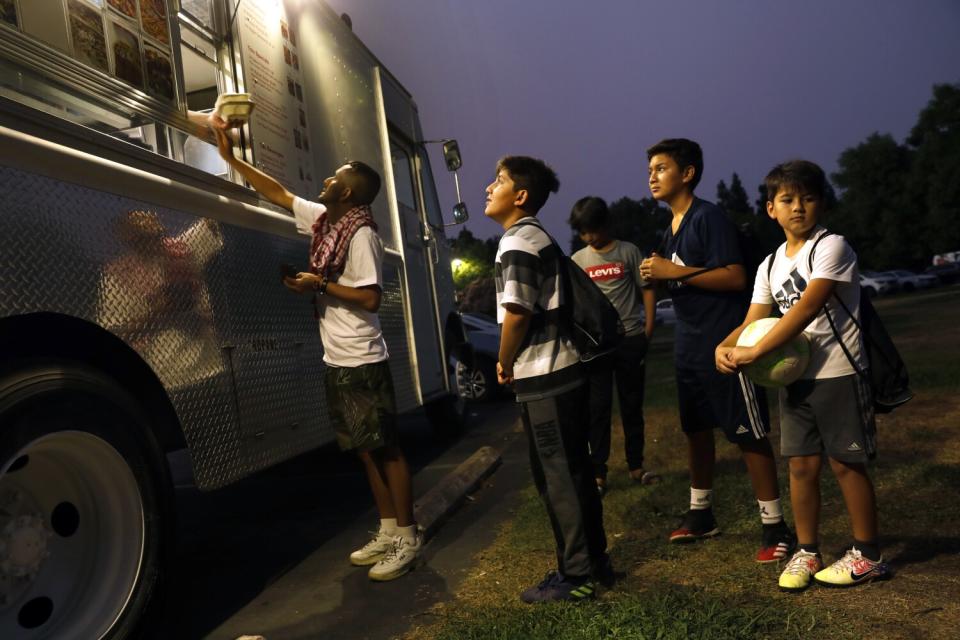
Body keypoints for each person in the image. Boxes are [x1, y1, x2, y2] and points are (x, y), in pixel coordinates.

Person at [214, 129, 421, 582]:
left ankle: (408, 536)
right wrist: (230, 158)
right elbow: (279, 193)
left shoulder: (361, 232)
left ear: (345, 192)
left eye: (333, 177)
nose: (325, 180)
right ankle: (388, 530)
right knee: (364, 452)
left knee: (385, 450)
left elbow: (369, 298)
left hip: (363, 357)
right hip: (338, 358)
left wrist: (319, 285)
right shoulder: (328, 220)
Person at [716, 160, 890, 591]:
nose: (798, 208)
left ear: (822, 205)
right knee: (800, 466)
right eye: (787, 200)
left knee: (846, 464)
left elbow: (806, 307)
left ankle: (868, 555)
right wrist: (724, 344)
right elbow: (757, 314)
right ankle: (807, 551)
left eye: (808, 199)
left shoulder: (832, 247)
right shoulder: (770, 263)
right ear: (770, 209)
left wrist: (755, 350)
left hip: (839, 372)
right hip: (793, 378)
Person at [639, 138, 794, 563]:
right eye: (650, 168)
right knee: (695, 429)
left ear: (687, 173)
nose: (652, 175)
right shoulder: (669, 227)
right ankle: (701, 513)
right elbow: (674, 278)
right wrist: (657, 275)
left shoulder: (709, 217)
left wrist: (677, 272)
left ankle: (775, 524)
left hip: (724, 342)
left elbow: (734, 277)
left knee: (747, 431)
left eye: (662, 167)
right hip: (688, 344)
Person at [487, 156, 610, 602]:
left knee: (557, 476)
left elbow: (516, 313)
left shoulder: (516, 242)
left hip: (545, 375)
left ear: (520, 196)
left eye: (498, 181)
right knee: (574, 472)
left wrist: (503, 360)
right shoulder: (540, 236)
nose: (488, 187)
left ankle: (576, 576)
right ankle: (595, 563)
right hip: (566, 371)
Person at [568, 197, 659, 495]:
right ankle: (599, 473)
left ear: (605, 225)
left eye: (592, 230)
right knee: (597, 409)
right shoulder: (578, 261)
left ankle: (636, 465)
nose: (588, 238)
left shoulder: (628, 251)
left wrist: (646, 330)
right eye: (583, 233)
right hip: (596, 346)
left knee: (632, 405)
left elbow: (646, 290)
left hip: (630, 339)